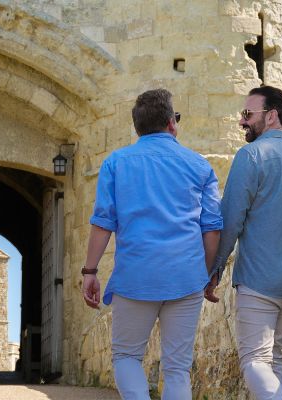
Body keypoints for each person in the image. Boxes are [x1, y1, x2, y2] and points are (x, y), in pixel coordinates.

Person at [81, 89, 223, 400]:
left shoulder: (116, 163)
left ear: (137, 127)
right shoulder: (199, 166)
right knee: (177, 368)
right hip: (186, 277)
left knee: (127, 357)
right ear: (172, 123)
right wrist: (208, 273)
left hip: (136, 277)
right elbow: (212, 228)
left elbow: (103, 221)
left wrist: (90, 271)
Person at [206, 85, 282, 400]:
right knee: (275, 358)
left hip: (260, 281)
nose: (242, 122)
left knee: (254, 361)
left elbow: (230, 220)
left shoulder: (251, 155)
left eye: (248, 114)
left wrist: (213, 271)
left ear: (271, 115)